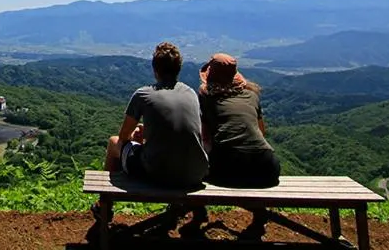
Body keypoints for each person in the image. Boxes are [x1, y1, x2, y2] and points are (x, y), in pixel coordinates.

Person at [93, 42, 209, 221]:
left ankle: (104, 207)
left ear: (155, 69)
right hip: (196, 172)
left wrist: (137, 138)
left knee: (113, 142)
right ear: (178, 69)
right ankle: (179, 205)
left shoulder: (143, 94)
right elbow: (187, 131)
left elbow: (123, 137)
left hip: (158, 174)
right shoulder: (191, 93)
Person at [194, 53, 281, 238]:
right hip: (268, 168)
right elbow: (261, 132)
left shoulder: (206, 97)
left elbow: (204, 137)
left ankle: (197, 213)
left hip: (227, 166)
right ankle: (259, 214)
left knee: (194, 164)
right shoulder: (252, 95)